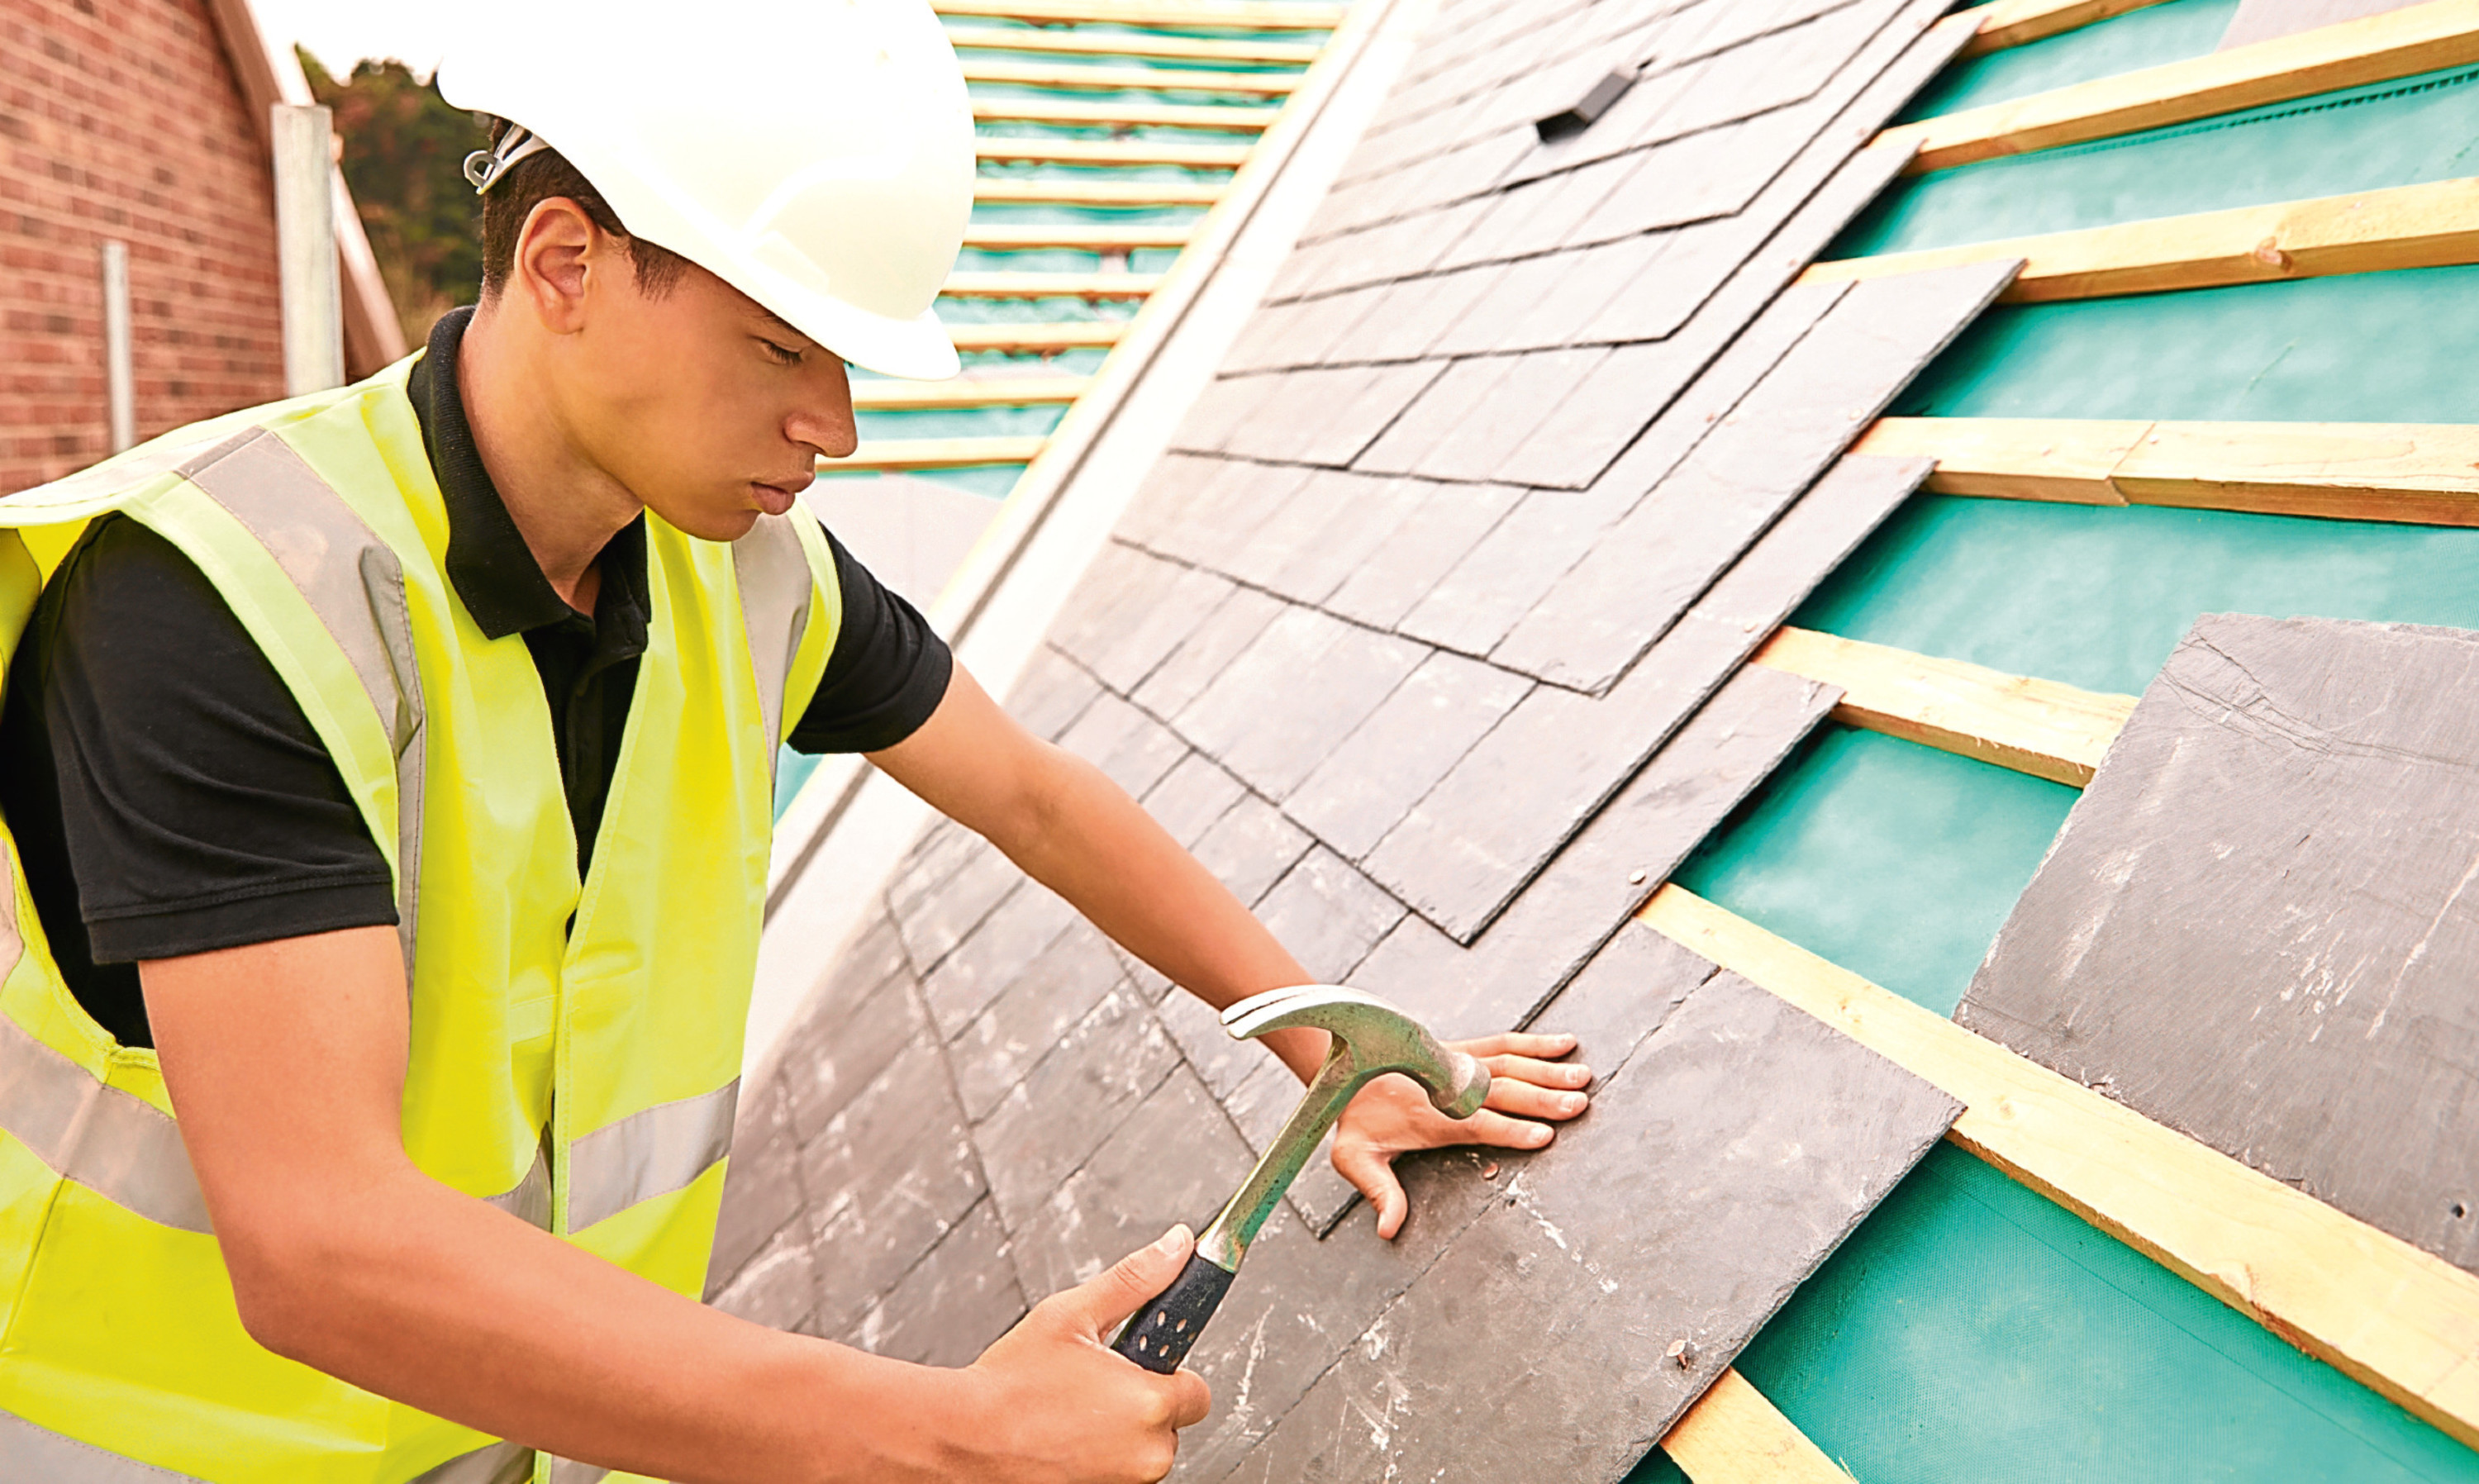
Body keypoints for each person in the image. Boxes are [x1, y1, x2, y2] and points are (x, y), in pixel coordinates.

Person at [0, 2, 1592, 1479]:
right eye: (782, 349)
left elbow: (1035, 799)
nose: (835, 427)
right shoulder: (215, 602)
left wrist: (1337, 1063)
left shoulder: (744, 574)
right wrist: (955, 1439)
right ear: (563, 263)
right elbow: (323, 1246)